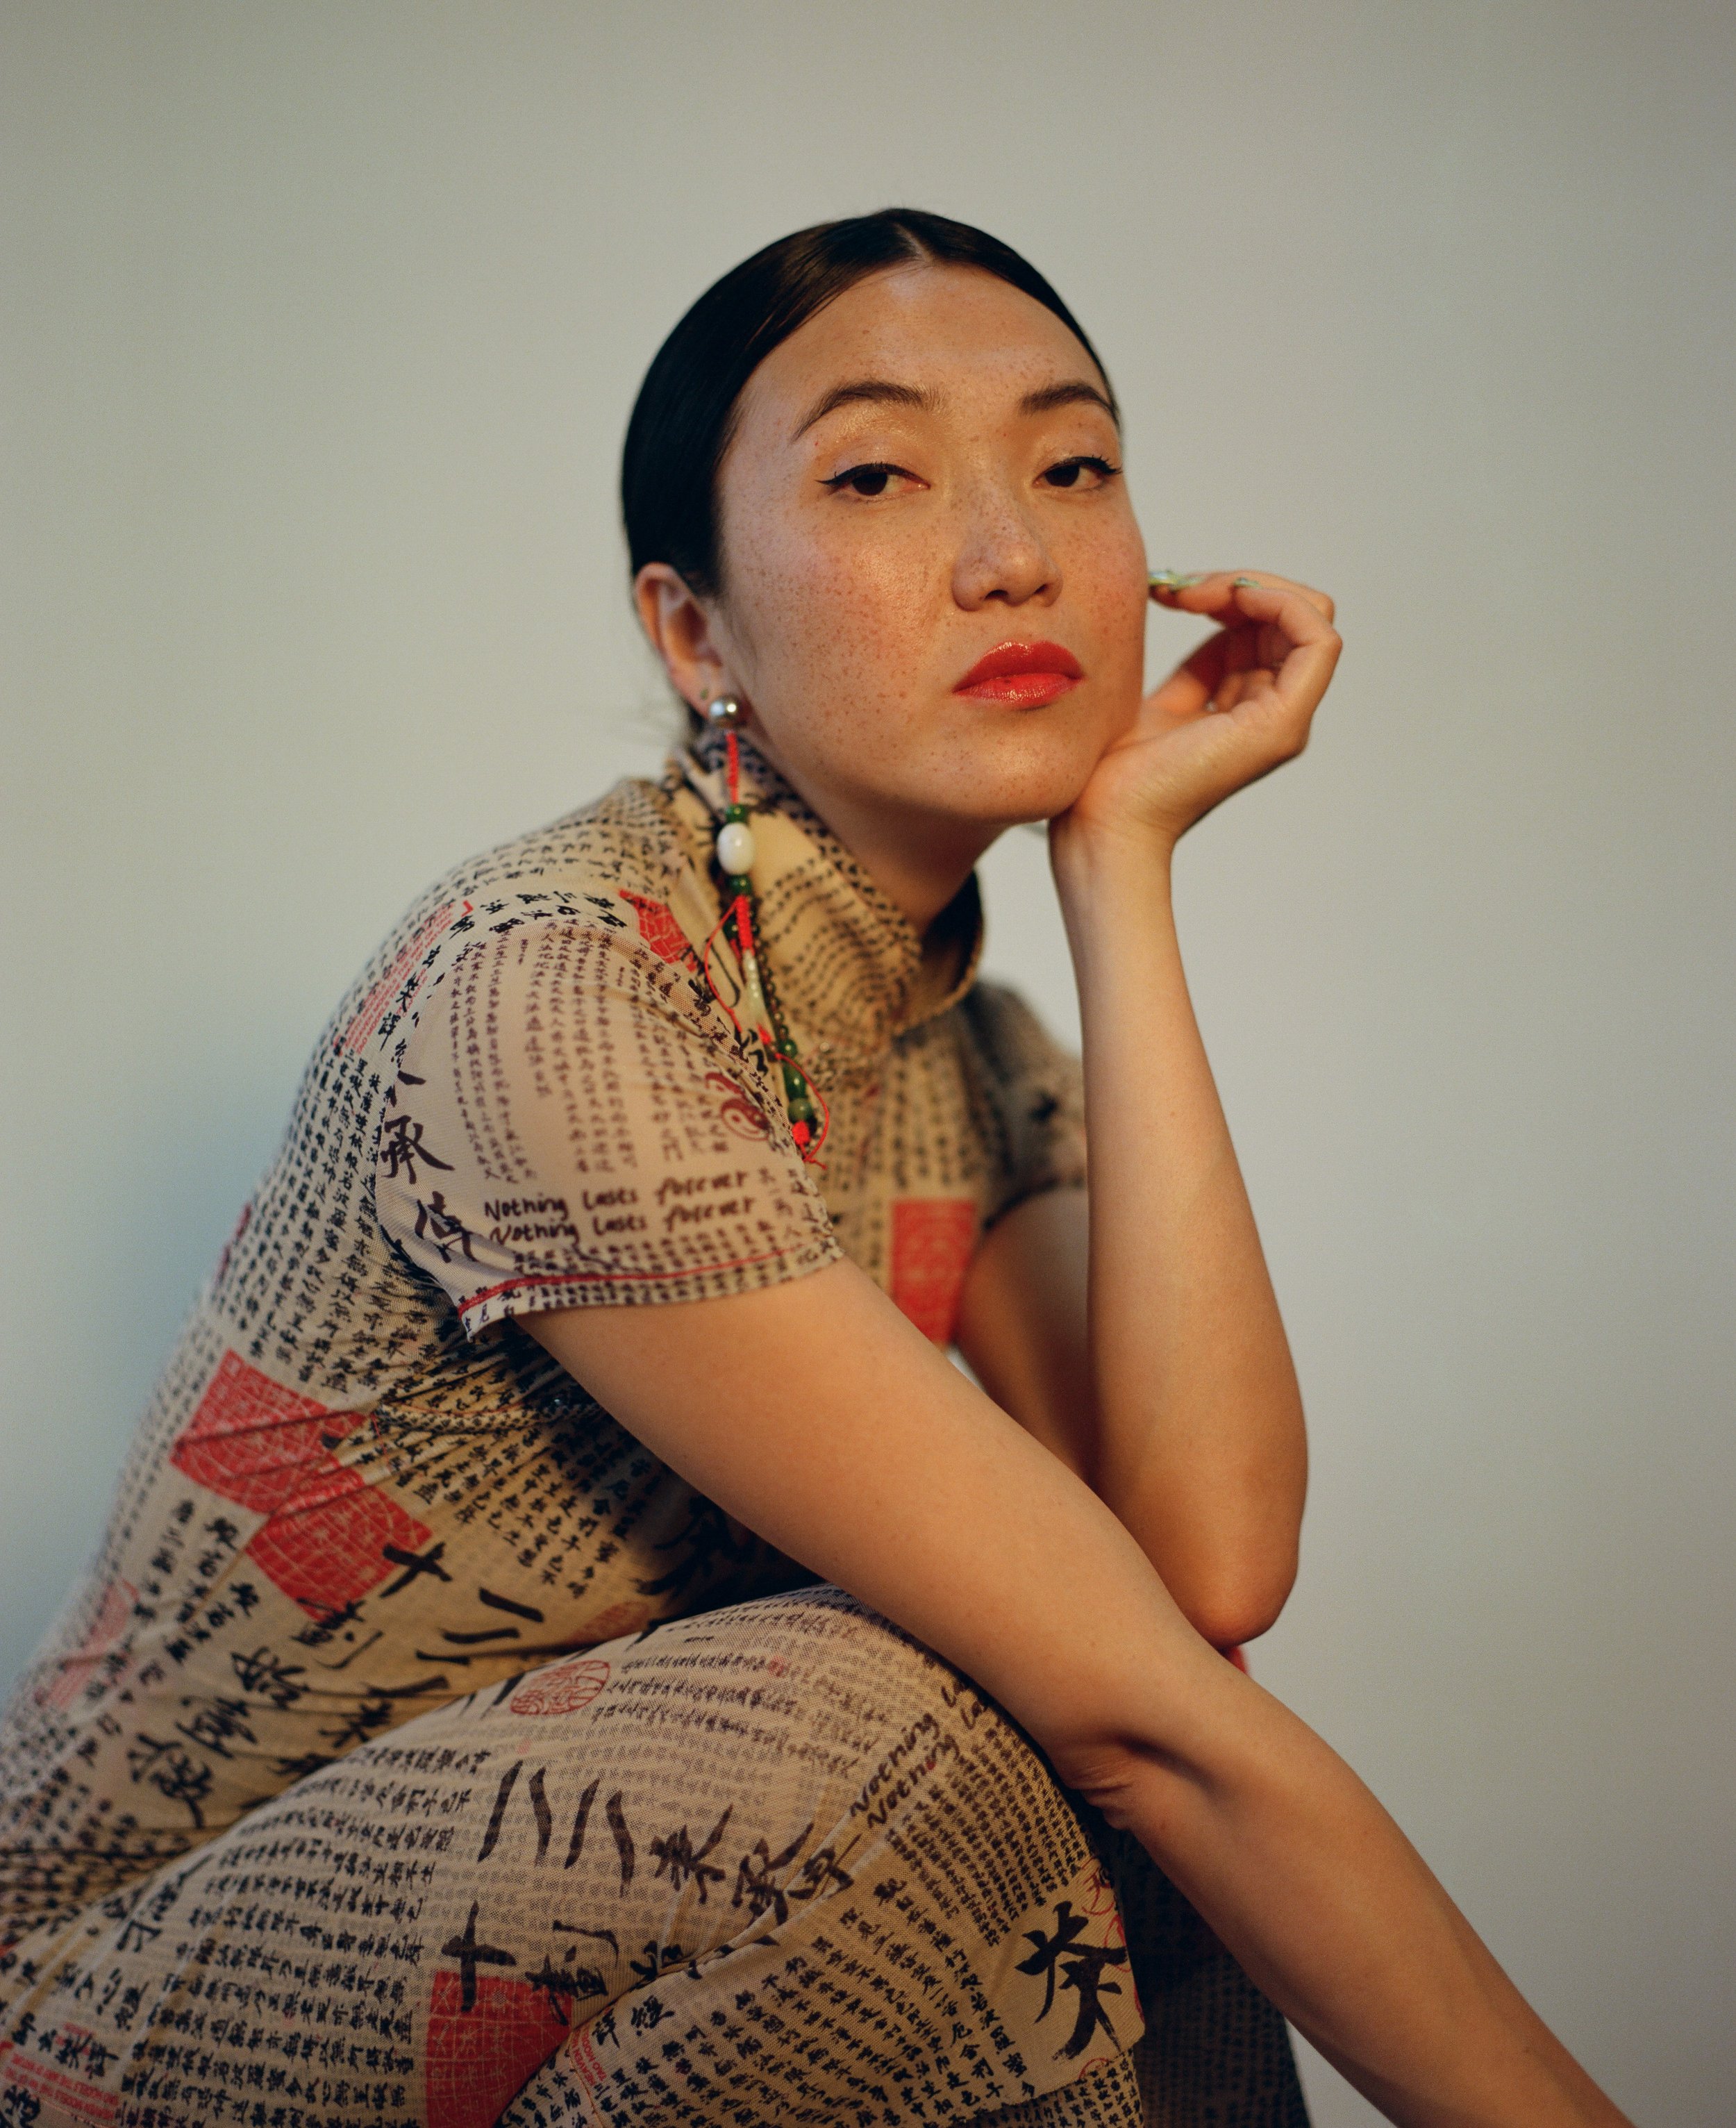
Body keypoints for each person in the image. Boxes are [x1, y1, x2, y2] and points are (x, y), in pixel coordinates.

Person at [0, 210, 1633, 2128]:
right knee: (904, 1722)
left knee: (1117, 1777)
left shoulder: (961, 1041)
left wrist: (1118, 873)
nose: (1011, 549)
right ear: (693, 629)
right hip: (130, 2002)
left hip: (602, 1925)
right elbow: (1140, 1713)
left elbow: (1202, 1569)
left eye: (1073, 463)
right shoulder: (550, 988)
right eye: (874, 473)